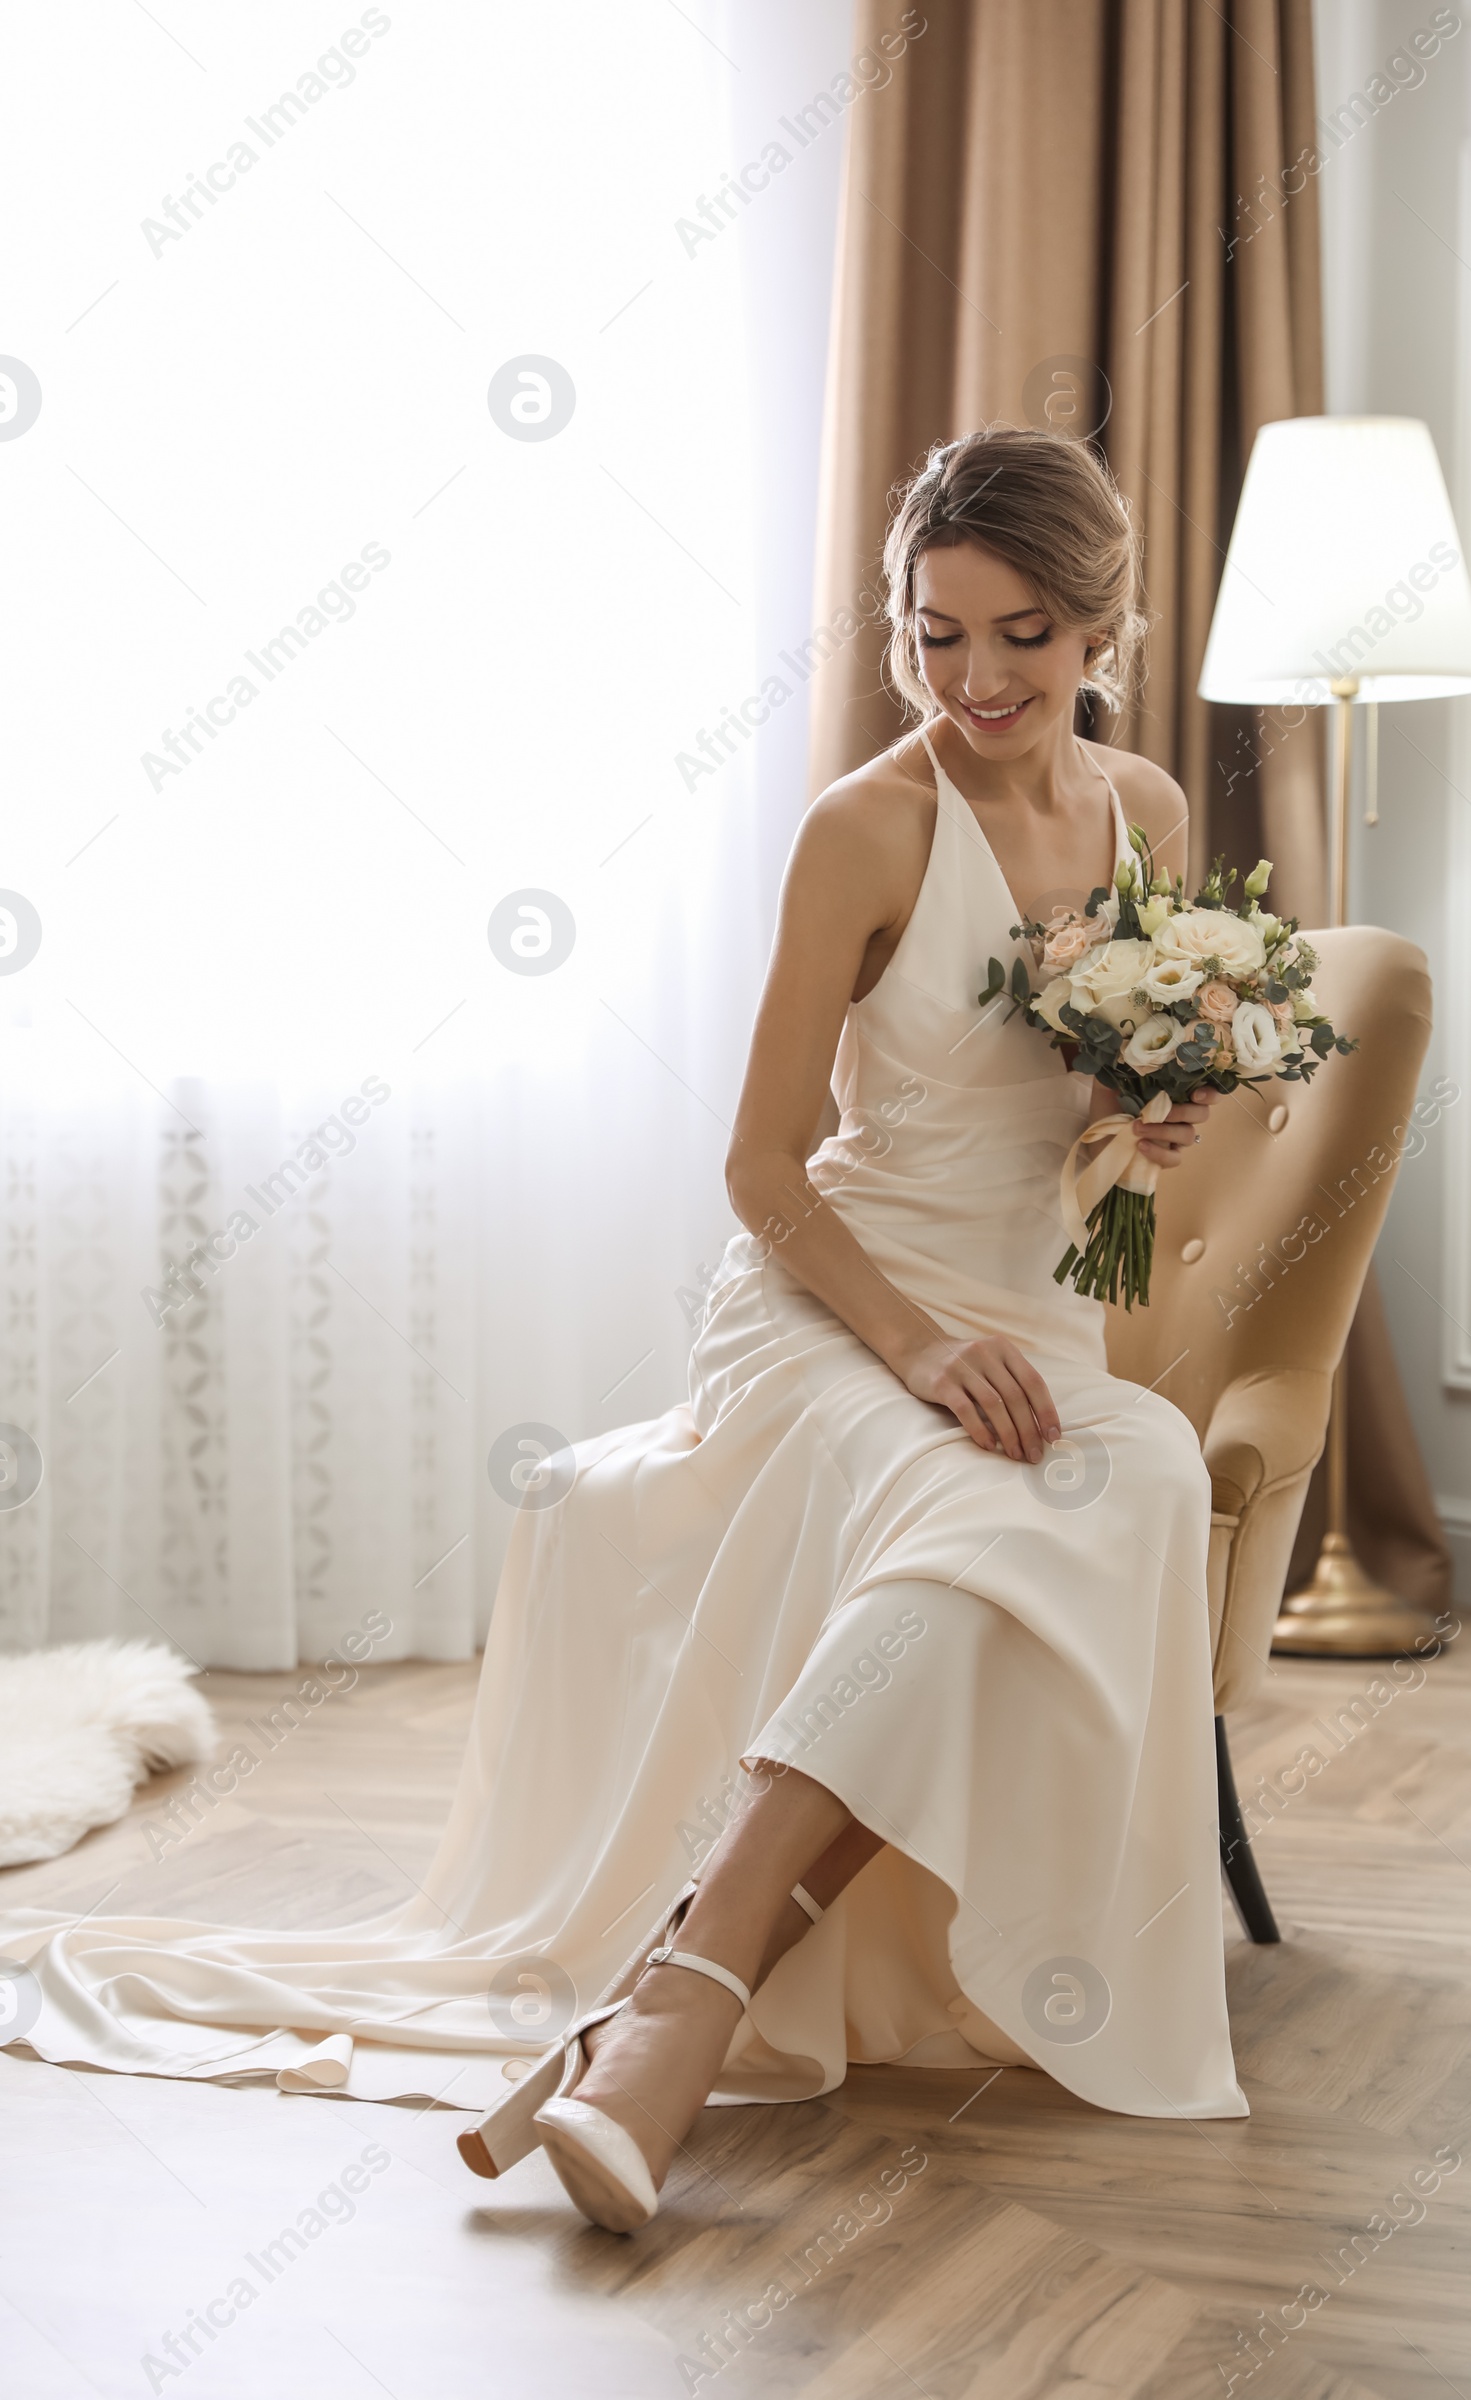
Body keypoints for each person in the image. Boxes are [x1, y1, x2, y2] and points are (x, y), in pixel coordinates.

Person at [0, 426, 1245, 2233]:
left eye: (1023, 636)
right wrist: (904, 1350)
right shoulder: (867, 828)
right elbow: (760, 1169)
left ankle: (673, 1992)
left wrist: (1157, 1117)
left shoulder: (1152, 816)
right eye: (933, 634)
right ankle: (681, 2005)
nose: (974, 679)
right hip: (835, 1300)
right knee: (981, 1502)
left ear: (1099, 628)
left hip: (1038, 1312)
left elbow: (1105, 1125)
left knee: (1120, 1466)